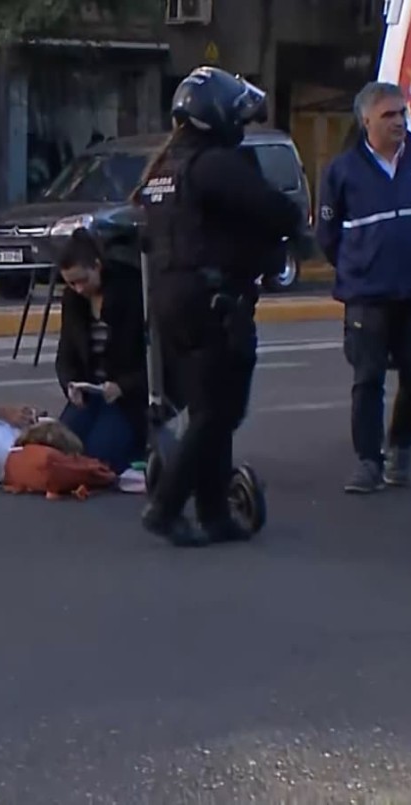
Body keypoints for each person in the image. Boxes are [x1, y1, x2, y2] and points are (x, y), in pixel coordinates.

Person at [135, 65, 303, 547]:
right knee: (218, 413)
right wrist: (286, 231)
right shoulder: (214, 164)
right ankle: (166, 507)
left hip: (173, 297)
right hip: (213, 300)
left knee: (210, 409)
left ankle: (214, 513)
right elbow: (274, 208)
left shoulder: (166, 168)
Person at [316, 81, 411, 494]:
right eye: (389, 114)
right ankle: (368, 462)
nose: (399, 121)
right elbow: (327, 234)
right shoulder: (342, 171)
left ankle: (401, 447)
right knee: (368, 377)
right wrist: (359, 267)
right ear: (366, 119)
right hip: (366, 295)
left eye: (403, 113)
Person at [54, 228, 149, 475]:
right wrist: (70, 385)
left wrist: (123, 386)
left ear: (97, 266)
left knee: (99, 457)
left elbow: (153, 360)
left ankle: (139, 448)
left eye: (82, 280)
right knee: (61, 450)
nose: (78, 288)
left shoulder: (130, 293)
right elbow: (66, 354)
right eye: (71, 283)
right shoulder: (74, 301)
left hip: (126, 397)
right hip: (90, 392)